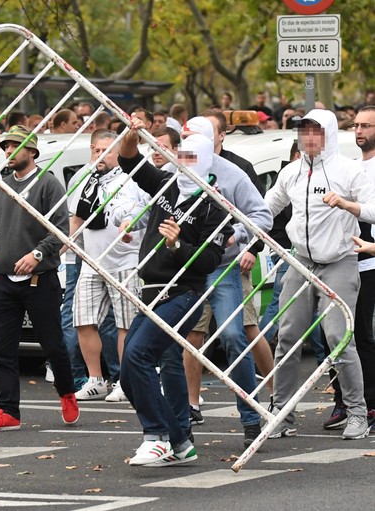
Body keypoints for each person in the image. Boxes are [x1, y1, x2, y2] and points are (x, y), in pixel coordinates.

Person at [117, 115, 233, 466]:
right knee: (126, 371)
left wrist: (177, 246)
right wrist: (131, 133)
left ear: (206, 162)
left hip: (183, 294)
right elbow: (128, 160)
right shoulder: (166, 184)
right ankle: (181, 441)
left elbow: (211, 260)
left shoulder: (214, 207)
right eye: (182, 157)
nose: (185, 164)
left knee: (138, 355)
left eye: (192, 158)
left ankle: (158, 436)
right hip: (151, 290)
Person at [265, 109, 375, 440]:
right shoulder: (291, 173)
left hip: (339, 262)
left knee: (339, 339)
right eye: (304, 133)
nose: (309, 139)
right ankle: (281, 414)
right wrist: (243, 231)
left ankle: (357, 413)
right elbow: (266, 207)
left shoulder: (350, 170)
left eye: (316, 133)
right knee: (286, 338)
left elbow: (372, 209)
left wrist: (345, 204)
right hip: (300, 263)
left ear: (327, 135)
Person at [0, 125, 80, 432]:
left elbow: (59, 229)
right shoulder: (0, 187)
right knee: (3, 348)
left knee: (53, 346)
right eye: (5, 146)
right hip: (4, 281)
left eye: (15, 146)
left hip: (40, 280)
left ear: (32, 151)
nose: (8, 151)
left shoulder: (48, 184)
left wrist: (37, 255)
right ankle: (8, 411)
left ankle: (67, 393)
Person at [173, 115, 273, 449]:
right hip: (183, 269)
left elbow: (263, 214)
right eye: (182, 142)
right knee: (184, 340)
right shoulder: (175, 171)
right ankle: (182, 418)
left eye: (192, 142)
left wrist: (237, 236)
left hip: (222, 268)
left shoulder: (232, 173)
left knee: (233, 335)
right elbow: (152, 203)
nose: (185, 150)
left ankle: (250, 417)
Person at [71, 130, 146, 401]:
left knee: (126, 325)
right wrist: (65, 242)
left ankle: (125, 381)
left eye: (106, 150)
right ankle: (95, 380)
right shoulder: (84, 179)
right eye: (95, 149)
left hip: (125, 260)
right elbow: (77, 217)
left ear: (117, 152)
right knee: (83, 320)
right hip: (91, 261)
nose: (99, 155)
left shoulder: (132, 179)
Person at [322, 107, 375, 431]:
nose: (358, 131)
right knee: (332, 334)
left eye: (366, 125)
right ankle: (344, 399)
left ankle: (368, 403)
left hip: (369, 259)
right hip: (344, 259)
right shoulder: (352, 167)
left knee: (362, 336)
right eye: (355, 125)